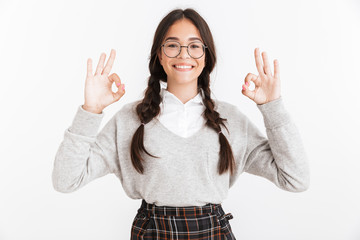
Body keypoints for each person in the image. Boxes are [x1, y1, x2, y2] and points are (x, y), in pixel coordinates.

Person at [52, 8, 310, 240]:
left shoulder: (231, 121)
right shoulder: (130, 119)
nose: (184, 54)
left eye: (195, 46)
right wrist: (91, 110)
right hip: (152, 232)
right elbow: (66, 180)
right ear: (159, 56)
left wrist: (272, 106)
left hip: (213, 232)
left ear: (206, 56)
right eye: (172, 45)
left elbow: (295, 179)